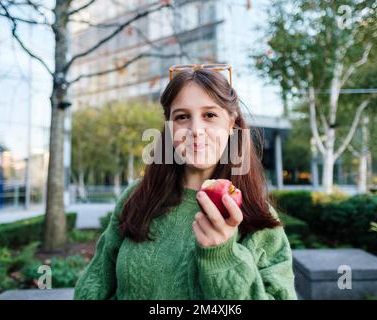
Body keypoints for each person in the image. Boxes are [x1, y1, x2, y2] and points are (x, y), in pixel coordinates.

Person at [73, 65, 297, 300]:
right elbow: (95, 282)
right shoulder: (137, 197)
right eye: (182, 117)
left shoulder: (256, 216)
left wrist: (222, 256)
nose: (196, 130)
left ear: (231, 124)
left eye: (210, 115)